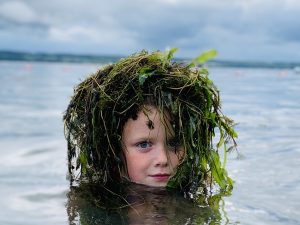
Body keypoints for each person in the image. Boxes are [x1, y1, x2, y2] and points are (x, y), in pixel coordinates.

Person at [64, 49, 237, 209]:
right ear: (112, 151)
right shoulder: (89, 203)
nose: (162, 159)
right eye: (144, 144)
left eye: (175, 143)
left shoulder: (199, 199)